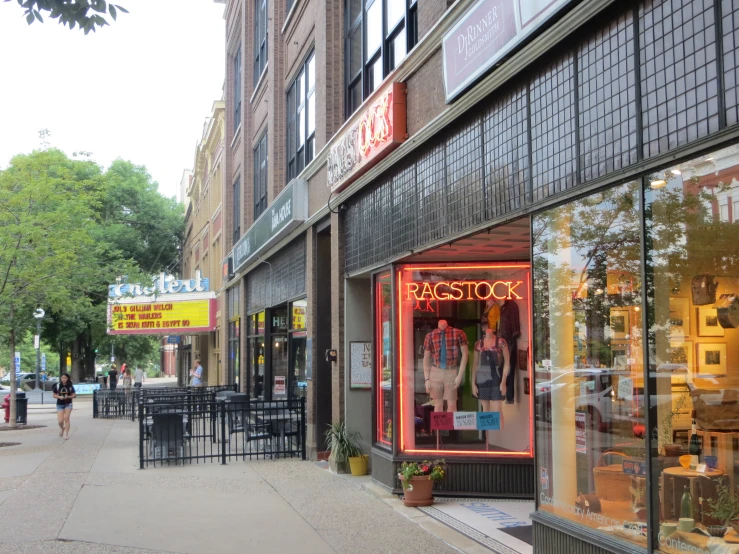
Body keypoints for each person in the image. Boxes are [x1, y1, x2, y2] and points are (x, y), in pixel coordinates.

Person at [52, 373, 76, 440]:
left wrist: (68, 396)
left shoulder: (70, 386)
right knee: (60, 421)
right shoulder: (57, 386)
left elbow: (74, 395)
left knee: (67, 418)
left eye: (65, 378)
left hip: (68, 403)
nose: (63, 379)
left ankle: (66, 434)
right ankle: (62, 428)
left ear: (67, 378)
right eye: (62, 378)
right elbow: (54, 395)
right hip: (60, 404)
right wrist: (59, 397)